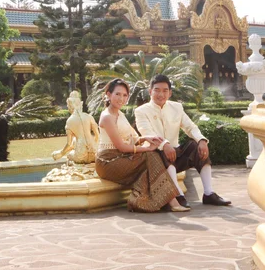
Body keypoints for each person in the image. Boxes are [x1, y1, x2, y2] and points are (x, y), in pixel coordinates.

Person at [135, 74, 231, 208]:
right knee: (161, 152)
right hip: (155, 157)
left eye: (165, 90)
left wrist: (202, 140)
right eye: (157, 90)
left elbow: (190, 126)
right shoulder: (141, 111)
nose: (161, 94)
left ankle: (209, 193)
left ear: (170, 93)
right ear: (150, 91)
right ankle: (177, 195)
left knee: (194, 145)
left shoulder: (177, 107)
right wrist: (164, 144)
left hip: (175, 153)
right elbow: (147, 132)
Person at [95, 78, 190, 212]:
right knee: (150, 155)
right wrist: (145, 148)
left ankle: (145, 199)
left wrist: (146, 138)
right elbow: (121, 146)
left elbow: (132, 138)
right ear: (108, 95)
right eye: (117, 94)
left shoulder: (119, 114)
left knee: (151, 159)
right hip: (108, 162)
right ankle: (171, 200)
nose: (121, 98)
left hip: (121, 158)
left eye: (124, 95)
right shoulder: (107, 117)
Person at [51, 91, 99, 164]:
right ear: (81, 105)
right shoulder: (89, 117)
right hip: (94, 154)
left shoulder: (69, 121)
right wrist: (92, 146)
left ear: (70, 106)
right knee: (75, 140)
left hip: (80, 156)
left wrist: (61, 153)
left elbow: (69, 144)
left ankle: (62, 154)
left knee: (69, 155)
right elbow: (97, 136)